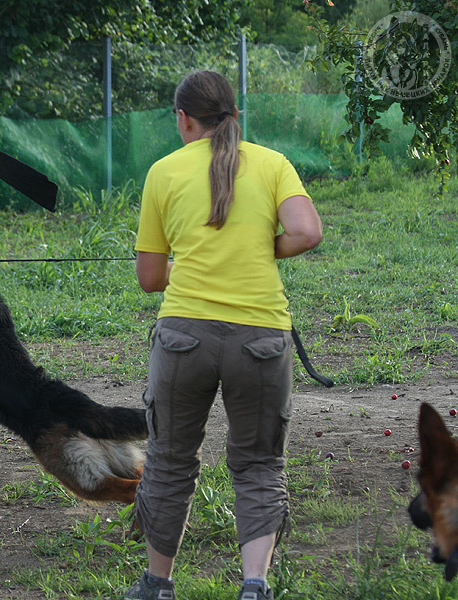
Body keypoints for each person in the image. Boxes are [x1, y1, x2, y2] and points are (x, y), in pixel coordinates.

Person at [126, 70, 322, 600]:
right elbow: (307, 231)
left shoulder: (163, 173)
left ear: (184, 119)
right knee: (259, 464)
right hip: (261, 338)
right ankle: (254, 586)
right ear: (233, 116)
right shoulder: (273, 164)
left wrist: (187, 261)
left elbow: (149, 278)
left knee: (170, 461)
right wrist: (262, 248)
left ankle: (157, 585)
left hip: (183, 337)